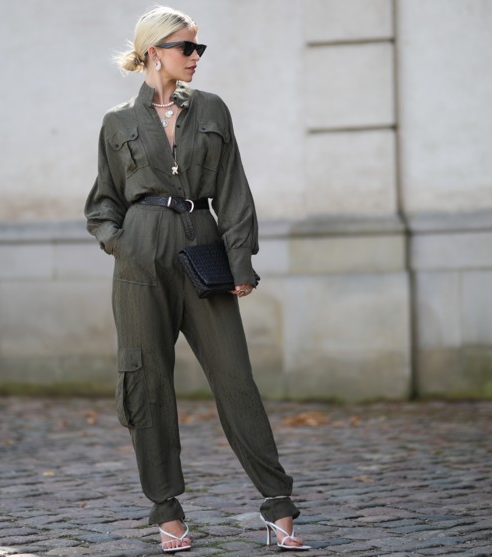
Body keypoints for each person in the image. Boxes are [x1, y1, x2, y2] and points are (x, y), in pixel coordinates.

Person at [83, 5, 309, 554]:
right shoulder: (117, 122)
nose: (196, 57)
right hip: (140, 257)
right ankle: (167, 513)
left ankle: (278, 506)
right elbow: (103, 202)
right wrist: (121, 243)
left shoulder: (212, 109)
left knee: (236, 379)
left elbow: (233, 190)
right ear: (154, 52)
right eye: (187, 47)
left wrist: (240, 262)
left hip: (202, 247)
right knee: (147, 383)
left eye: (198, 47)